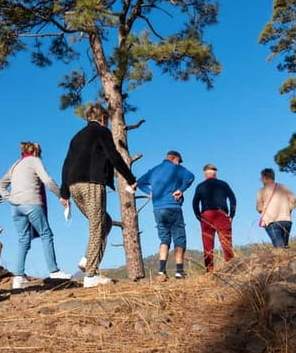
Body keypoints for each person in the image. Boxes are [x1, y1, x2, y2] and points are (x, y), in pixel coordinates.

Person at [60, 104, 137, 288]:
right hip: (91, 183)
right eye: (107, 119)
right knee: (97, 227)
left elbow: (66, 163)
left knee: (105, 222)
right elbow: (113, 155)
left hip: (74, 186)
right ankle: (90, 275)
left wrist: (64, 193)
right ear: (102, 118)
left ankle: (88, 259)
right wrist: (130, 178)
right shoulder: (102, 131)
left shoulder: (76, 137)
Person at [0, 142, 71, 289]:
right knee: (46, 234)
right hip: (31, 203)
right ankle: (54, 271)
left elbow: (0, 184)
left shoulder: (16, 164)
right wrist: (61, 195)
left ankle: (18, 277)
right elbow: (47, 180)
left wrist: (10, 198)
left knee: (23, 240)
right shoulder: (34, 160)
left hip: (15, 207)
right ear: (36, 152)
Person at [137, 151, 195, 279]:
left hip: (158, 209)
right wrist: (181, 190)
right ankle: (179, 271)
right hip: (173, 207)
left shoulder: (154, 170)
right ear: (174, 158)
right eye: (178, 161)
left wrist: (150, 192)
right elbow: (190, 177)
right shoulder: (176, 168)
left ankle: (161, 271)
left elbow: (140, 182)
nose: (179, 163)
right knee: (179, 239)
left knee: (164, 240)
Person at [192, 163, 236, 272]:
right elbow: (233, 199)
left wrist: (199, 216)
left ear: (205, 174)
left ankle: (210, 271)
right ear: (215, 174)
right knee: (226, 243)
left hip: (206, 216)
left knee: (207, 245)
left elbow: (195, 203)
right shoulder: (223, 184)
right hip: (222, 215)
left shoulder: (200, 186)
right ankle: (231, 268)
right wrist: (231, 215)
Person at [256, 168, 296, 249]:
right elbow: (294, 200)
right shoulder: (283, 187)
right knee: (285, 246)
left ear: (264, 177)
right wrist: (288, 210)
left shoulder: (261, 191)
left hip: (271, 221)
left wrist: (265, 209)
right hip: (286, 220)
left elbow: (259, 208)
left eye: (261, 179)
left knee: (279, 248)